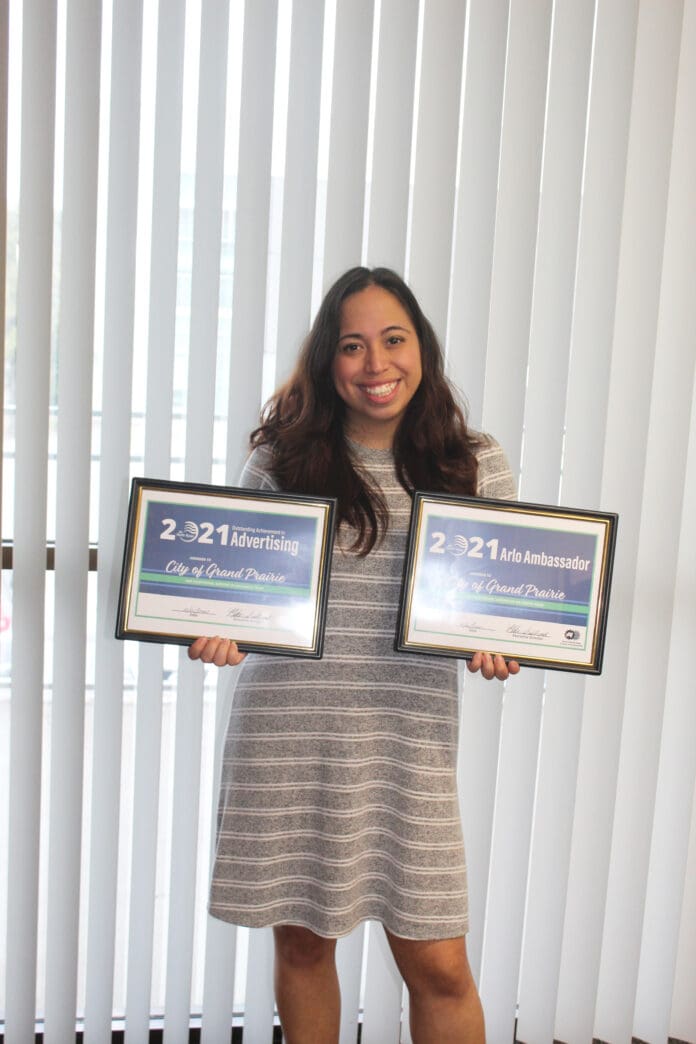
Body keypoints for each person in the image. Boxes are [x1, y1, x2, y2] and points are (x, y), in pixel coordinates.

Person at [189, 266, 519, 1043]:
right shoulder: (282, 458)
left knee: (438, 965)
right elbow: (236, 588)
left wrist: (504, 643)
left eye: (393, 340)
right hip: (288, 732)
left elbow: (507, 599)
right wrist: (214, 629)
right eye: (352, 346)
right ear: (327, 361)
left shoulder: (475, 461)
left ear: (423, 349)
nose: (376, 365)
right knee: (304, 944)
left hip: (409, 739)